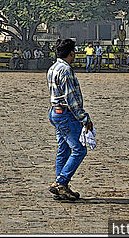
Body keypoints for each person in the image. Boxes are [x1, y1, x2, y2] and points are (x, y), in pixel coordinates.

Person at [46, 38, 92, 201]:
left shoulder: (53, 68)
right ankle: (61, 181)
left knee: (64, 148)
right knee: (79, 149)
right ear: (71, 53)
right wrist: (84, 117)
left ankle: (61, 188)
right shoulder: (65, 70)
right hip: (66, 114)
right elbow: (72, 98)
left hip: (56, 112)